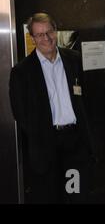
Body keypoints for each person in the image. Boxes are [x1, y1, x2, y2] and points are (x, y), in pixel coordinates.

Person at [9, 12, 93, 203]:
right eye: (39, 34)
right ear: (32, 38)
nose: (46, 38)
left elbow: (87, 98)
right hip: (45, 146)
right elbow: (20, 112)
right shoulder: (22, 71)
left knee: (77, 196)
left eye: (49, 32)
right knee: (49, 197)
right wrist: (39, 136)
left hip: (75, 143)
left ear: (55, 31)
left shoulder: (74, 59)